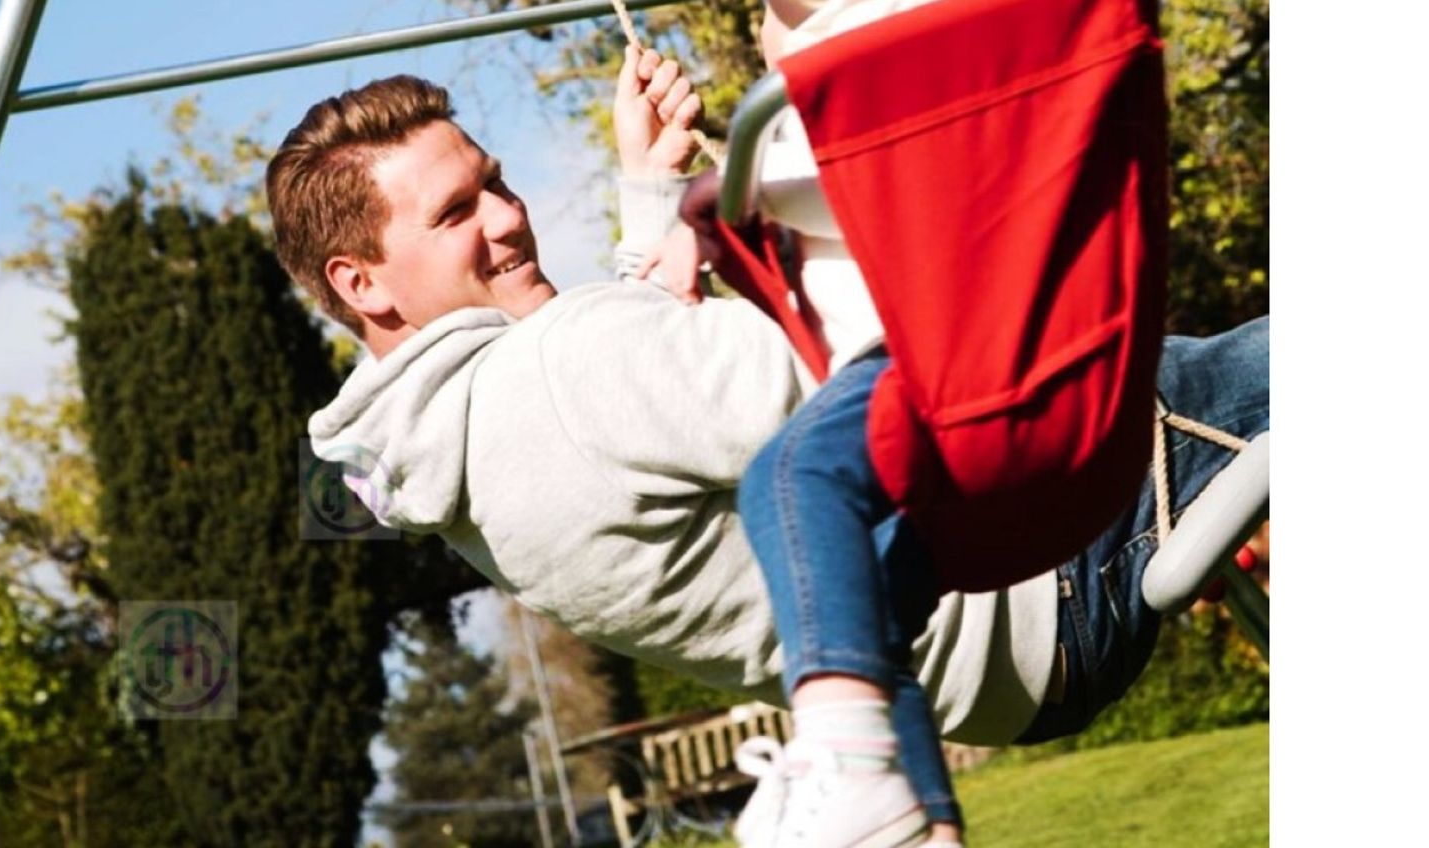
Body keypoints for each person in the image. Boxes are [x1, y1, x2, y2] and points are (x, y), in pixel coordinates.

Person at [266, 63, 1268, 844]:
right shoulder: (558, 369)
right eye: (454, 212)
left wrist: (649, 202)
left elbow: (643, 414)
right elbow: (849, 360)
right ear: (362, 283)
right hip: (1047, 564)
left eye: (495, 181)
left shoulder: (437, 454)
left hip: (997, 679)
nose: (507, 215)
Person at [640, 0, 1023, 847]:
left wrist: (704, 195)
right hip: (1011, 363)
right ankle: (913, 820)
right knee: (859, 614)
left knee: (793, 473)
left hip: (930, 365)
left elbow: (852, 159)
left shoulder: (900, 39)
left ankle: (851, 763)